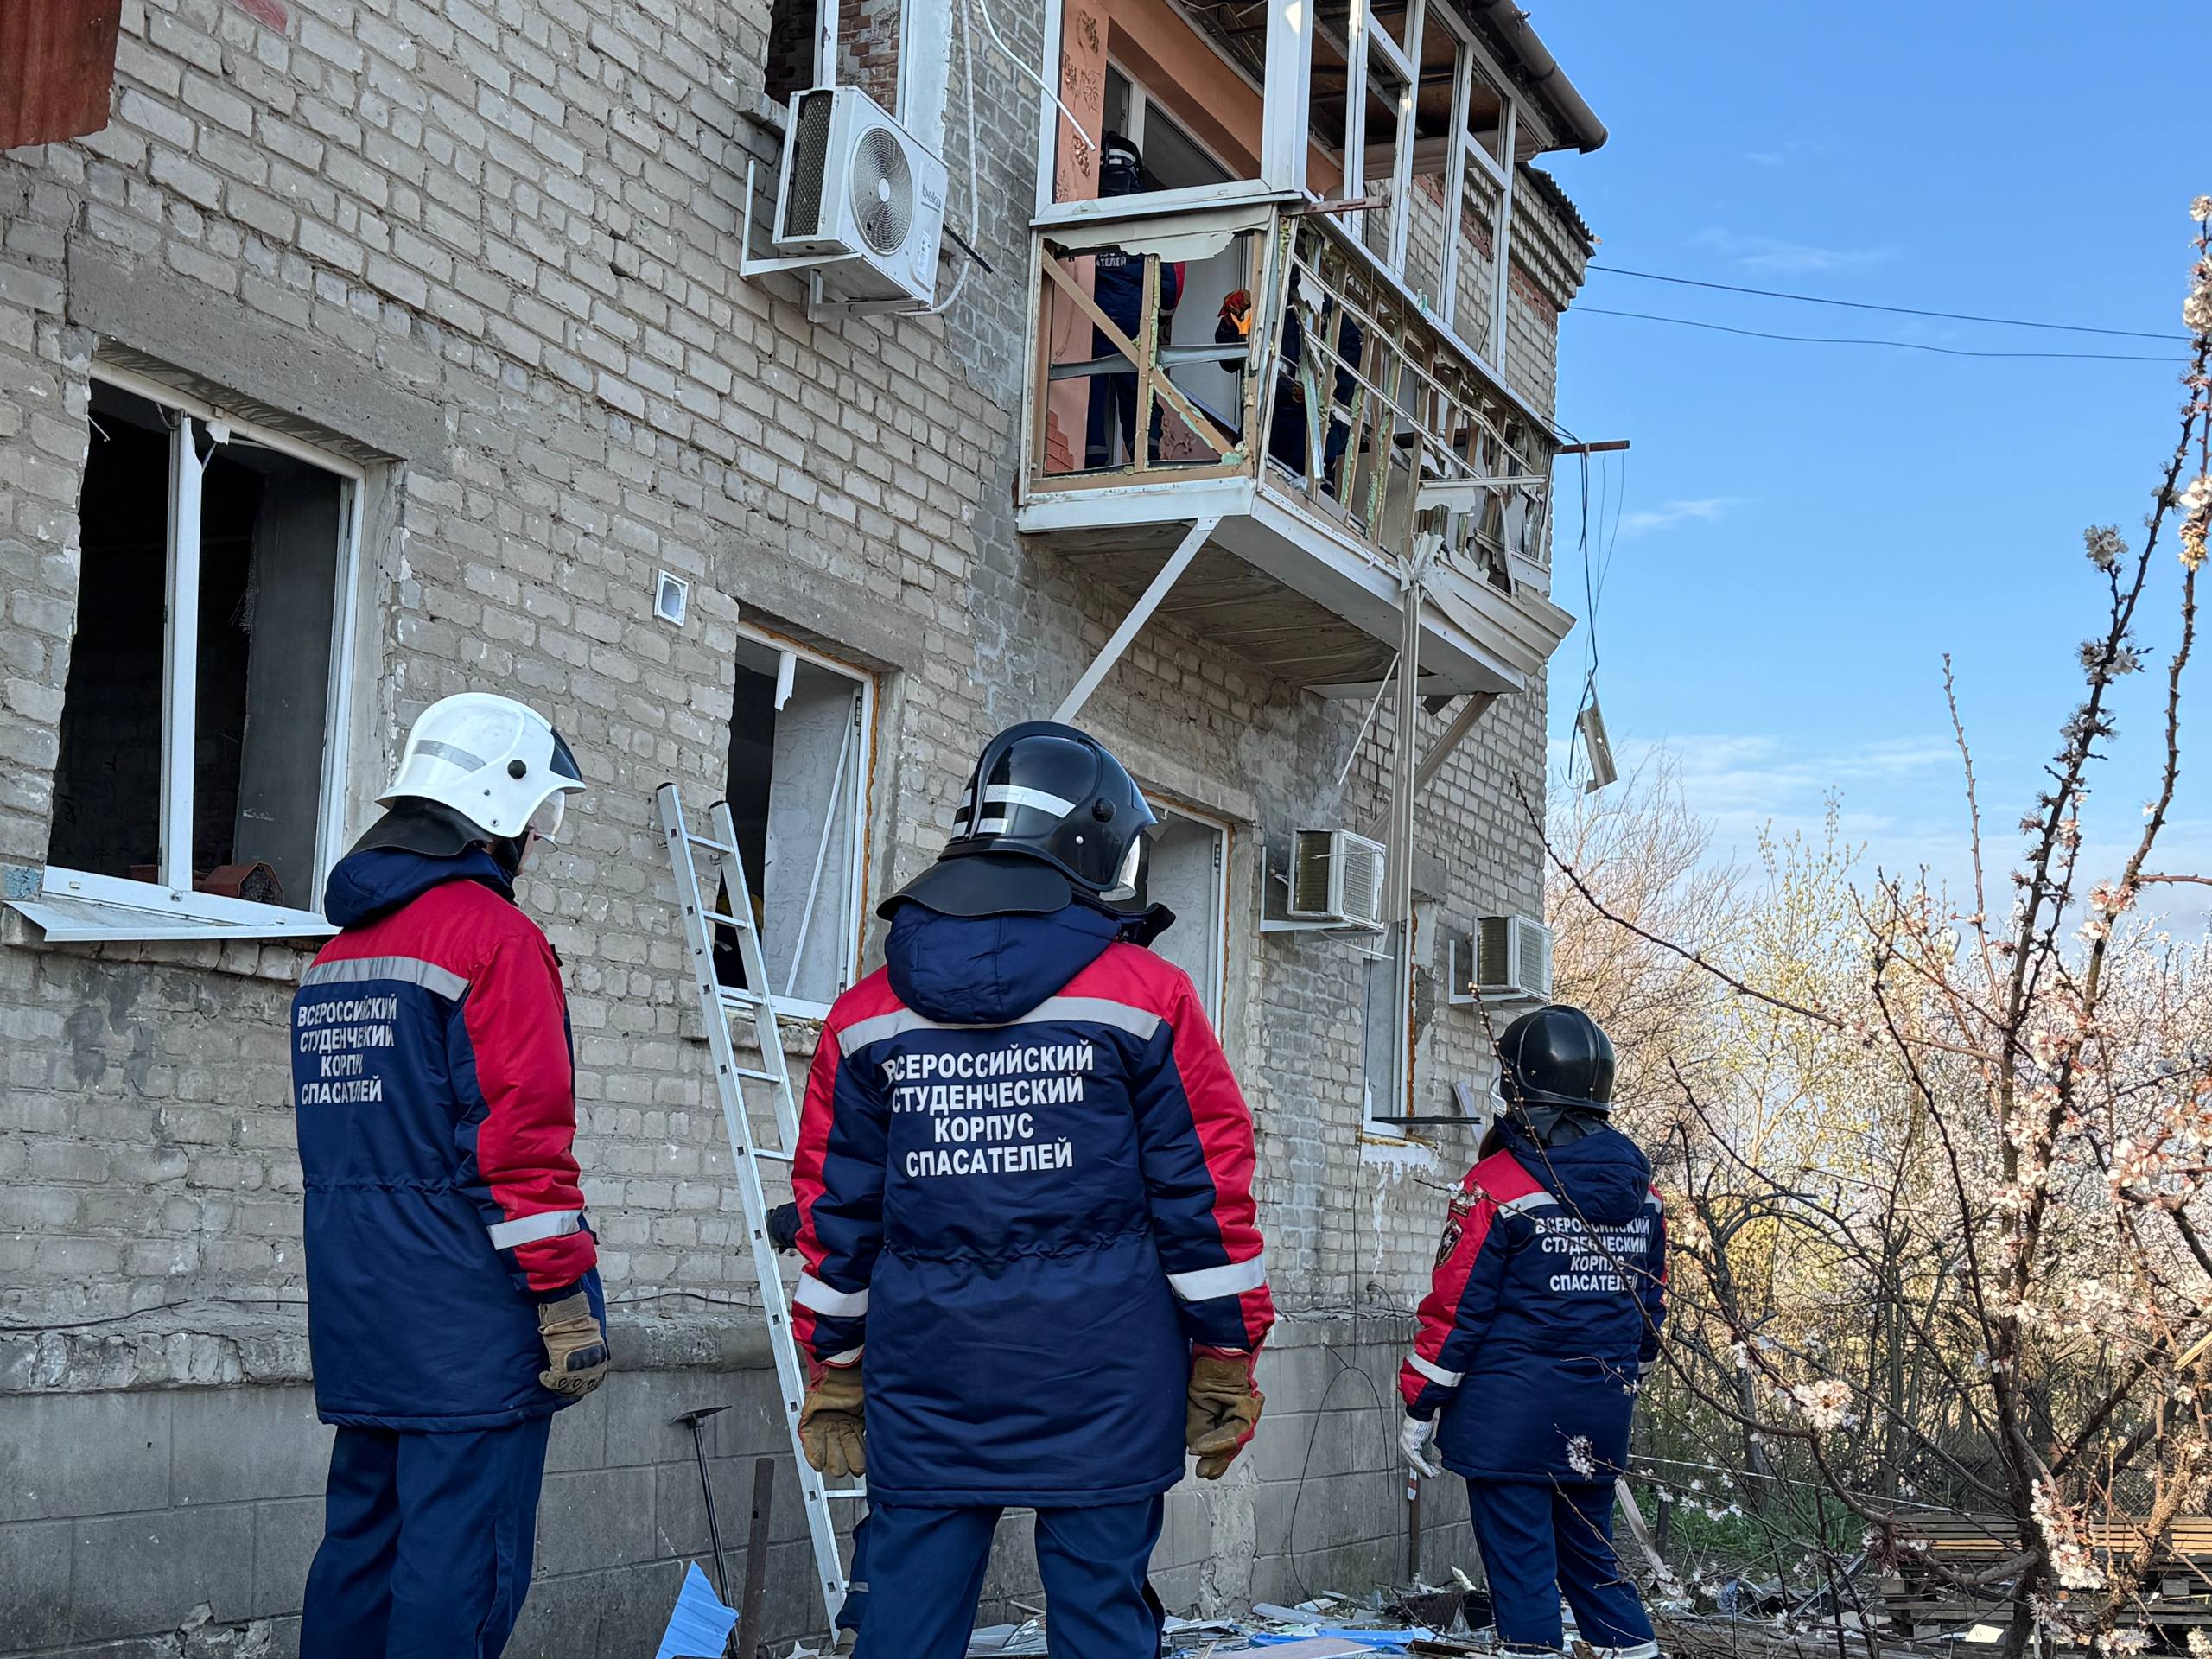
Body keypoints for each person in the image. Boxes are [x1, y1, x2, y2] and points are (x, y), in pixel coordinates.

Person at [789, 720, 1274, 1659]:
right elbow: (1204, 1189)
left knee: (901, 1622)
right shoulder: (1145, 995)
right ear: (1091, 843)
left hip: (927, 1373)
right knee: (1100, 1620)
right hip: (1102, 1372)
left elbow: (833, 1214)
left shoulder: (865, 1013)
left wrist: (835, 1366)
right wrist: (1226, 1352)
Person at [292, 693, 608, 1659]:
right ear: (497, 804)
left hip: (361, 1308)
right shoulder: (494, 940)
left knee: (361, 1548)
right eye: (538, 816)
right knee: (457, 1567)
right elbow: (522, 1146)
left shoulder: (338, 955)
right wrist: (561, 1298)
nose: (538, 841)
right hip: (472, 1316)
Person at [1397, 1005, 1666, 1659]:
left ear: (1521, 1087)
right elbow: (1648, 1310)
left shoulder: (1495, 1185)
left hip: (1507, 1416)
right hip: (1598, 1412)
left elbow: (1456, 1309)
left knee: (1521, 1575)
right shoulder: (1643, 1191)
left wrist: (1419, 1404)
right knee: (1594, 1567)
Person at [1085, 133, 1184, 469]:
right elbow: (1169, 287)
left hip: (1092, 324)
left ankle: (1092, 460)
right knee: (1139, 397)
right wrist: (1158, 319)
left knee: (1091, 392)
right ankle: (1147, 459)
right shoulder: (1150, 215)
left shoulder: (1086, 204)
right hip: (1135, 326)